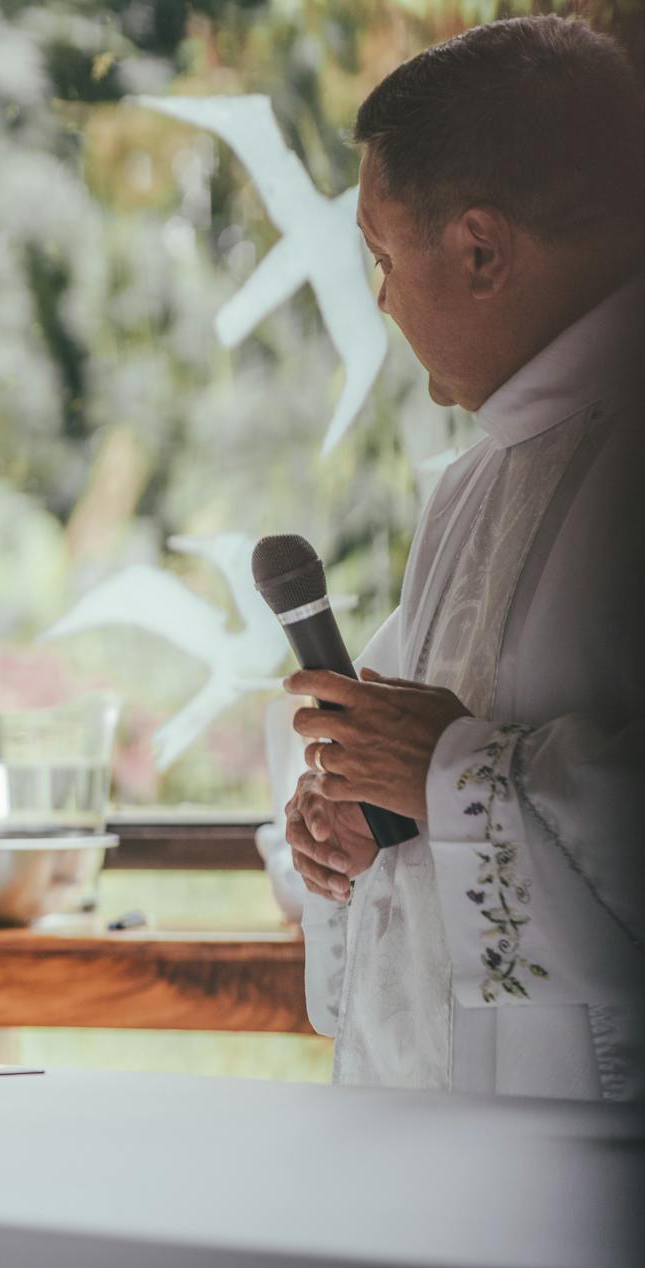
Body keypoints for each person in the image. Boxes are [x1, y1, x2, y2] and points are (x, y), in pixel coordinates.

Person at [284, 15, 645, 1100]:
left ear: (481, 249)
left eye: (385, 256)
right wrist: (357, 820)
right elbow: (411, 762)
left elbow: (448, 759)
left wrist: (451, 775)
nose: (384, 300)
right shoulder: (474, 481)